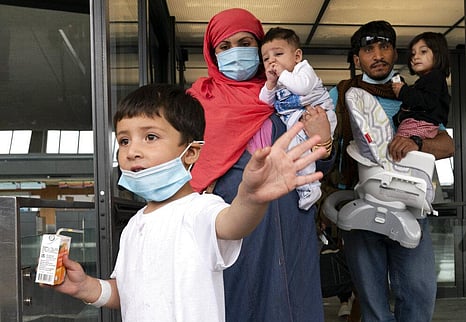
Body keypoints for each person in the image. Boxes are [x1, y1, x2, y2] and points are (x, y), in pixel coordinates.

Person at [50, 84, 328, 322]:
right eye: (124, 140)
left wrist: (250, 197)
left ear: (191, 152)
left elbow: (233, 223)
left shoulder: (200, 210)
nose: (132, 151)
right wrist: (86, 287)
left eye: (150, 137)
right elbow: (130, 291)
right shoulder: (135, 225)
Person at [187, 8, 334, 322]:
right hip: (234, 218)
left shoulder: (286, 93)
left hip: (292, 217)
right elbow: (186, 167)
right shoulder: (197, 102)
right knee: (240, 300)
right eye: (224, 47)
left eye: (245, 42)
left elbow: (319, 160)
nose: (235, 53)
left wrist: (325, 141)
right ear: (212, 55)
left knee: (294, 298)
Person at [326, 20, 454, 321]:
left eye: (384, 47)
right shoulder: (341, 94)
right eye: (369, 49)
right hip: (360, 207)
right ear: (358, 59)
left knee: (419, 295)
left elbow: (447, 145)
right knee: (371, 303)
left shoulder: (416, 95)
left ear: (394, 54)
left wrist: (415, 142)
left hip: (410, 207)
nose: (378, 54)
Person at [259, 27, 336, 210]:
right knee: (296, 149)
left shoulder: (304, 70)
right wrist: (270, 83)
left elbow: (301, 88)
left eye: (278, 54)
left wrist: (282, 75)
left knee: (302, 150)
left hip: (320, 114)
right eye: (266, 59)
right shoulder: (278, 79)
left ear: (297, 56)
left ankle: (311, 187)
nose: (272, 61)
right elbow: (264, 102)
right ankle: (306, 187)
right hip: (298, 118)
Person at [391, 32, 450, 156]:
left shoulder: (435, 77)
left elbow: (427, 101)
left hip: (420, 125)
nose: (415, 57)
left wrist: (403, 91)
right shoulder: (428, 80)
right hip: (421, 125)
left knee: (395, 149)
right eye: (413, 54)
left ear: (438, 55)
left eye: (423, 52)